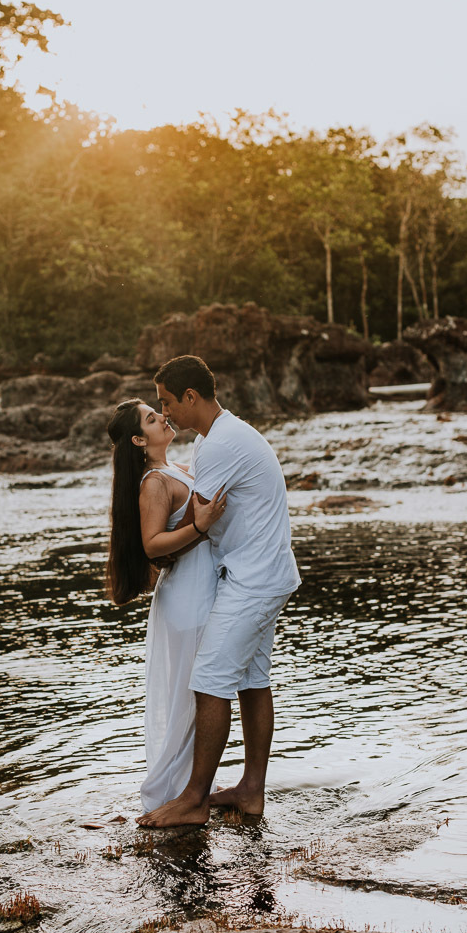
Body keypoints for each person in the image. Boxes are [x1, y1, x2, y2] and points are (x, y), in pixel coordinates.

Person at [136, 355, 300, 828]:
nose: (165, 413)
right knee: (251, 679)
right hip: (264, 572)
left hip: (253, 579)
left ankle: (194, 799)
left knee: (209, 680)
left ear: (191, 397)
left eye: (168, 402)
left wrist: (155, 555)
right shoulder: (219, 436)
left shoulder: (218, 445)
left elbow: (196, 521)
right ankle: (251, 791)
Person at [106, 399, 227, 811]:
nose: (163, 417)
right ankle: (169, 794)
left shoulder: (177, 468)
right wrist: (200, 526)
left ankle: (190, 788)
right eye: (152, 418)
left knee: (198, 698)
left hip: (199, 591)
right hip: (186, 600)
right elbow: (153, 545)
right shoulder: (154, 482)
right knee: (189, 701)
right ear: (139, 440)